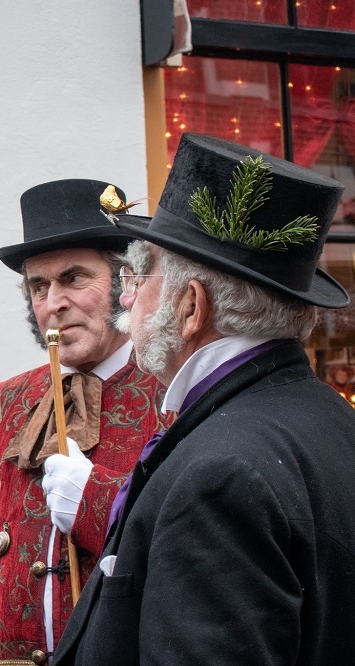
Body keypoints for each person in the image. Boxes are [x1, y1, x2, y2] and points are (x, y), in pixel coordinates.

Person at [54, 133, 355, 663]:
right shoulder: (333, 416)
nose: (127, 297)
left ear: (191, 308)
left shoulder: (219, 476)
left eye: (141, 278)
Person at [0, 179, 171, 665]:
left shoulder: (172, 396)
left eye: (74, 278)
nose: (53, 303)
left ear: (126, 284)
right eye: (39, 286)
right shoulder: (0, 402)